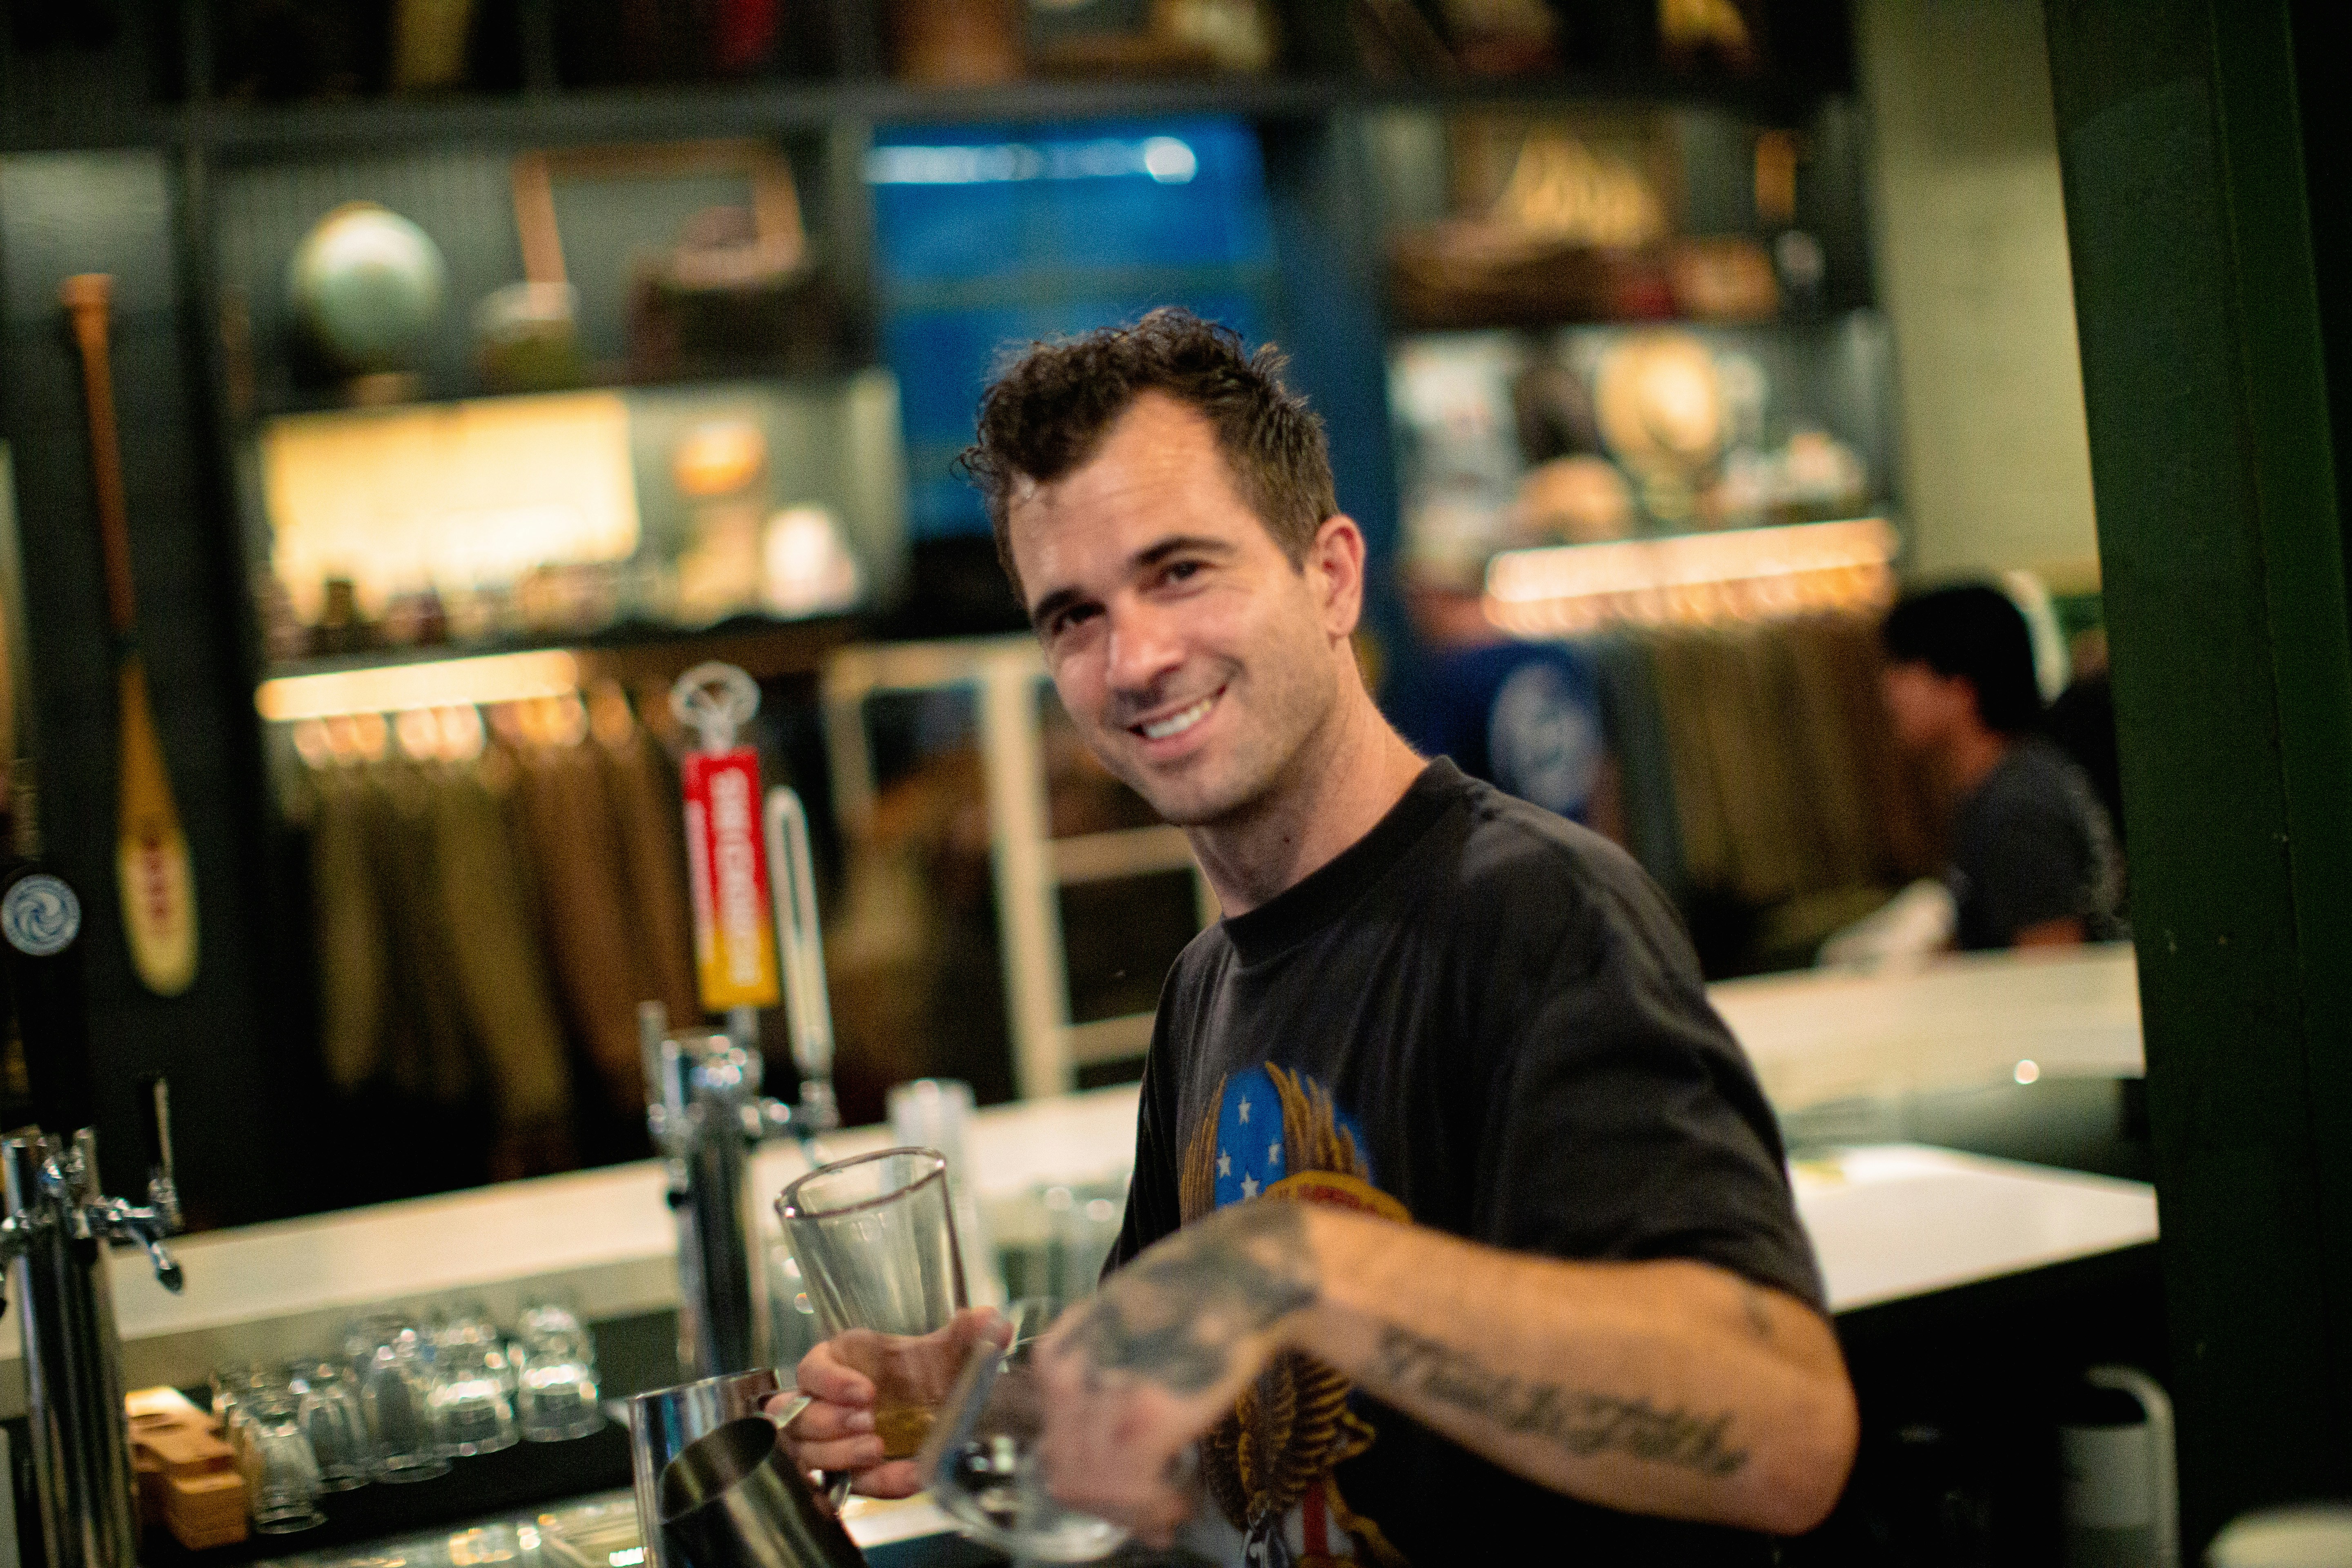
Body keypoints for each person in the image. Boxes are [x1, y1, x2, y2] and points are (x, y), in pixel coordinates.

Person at [779, 310, 1857, 1564]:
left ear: (1332, 575)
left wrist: (1294, 1259)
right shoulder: (1207, 988)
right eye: (1073, 615)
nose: (1134, 656)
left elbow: (1787, 1436)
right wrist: (978, 1404)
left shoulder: (1535, 911)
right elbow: (1232, 1411)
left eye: (1182, 571)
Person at [1878, 584, 2124, 951]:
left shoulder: (2013, 806)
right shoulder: (2017, 774)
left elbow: (2052, 961)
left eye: (1903, 668)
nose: (1889, 689)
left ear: (1961, 688)